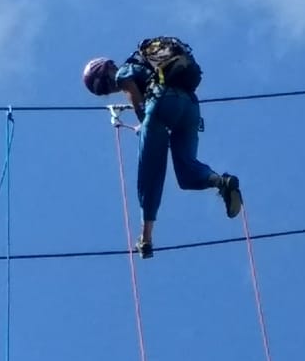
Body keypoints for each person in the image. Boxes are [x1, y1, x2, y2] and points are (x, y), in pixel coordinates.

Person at [82, 40, 241, 259]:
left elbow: (134, 96)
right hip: (190, 108)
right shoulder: (148, 67)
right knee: (186, 172)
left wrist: (144, 122)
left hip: (162, 103)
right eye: (103, 91)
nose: (109, 89)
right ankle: (221, 182)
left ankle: (146, 237)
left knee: (150, 171)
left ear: (107, 69)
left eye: (103, 86)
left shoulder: (125, 71)